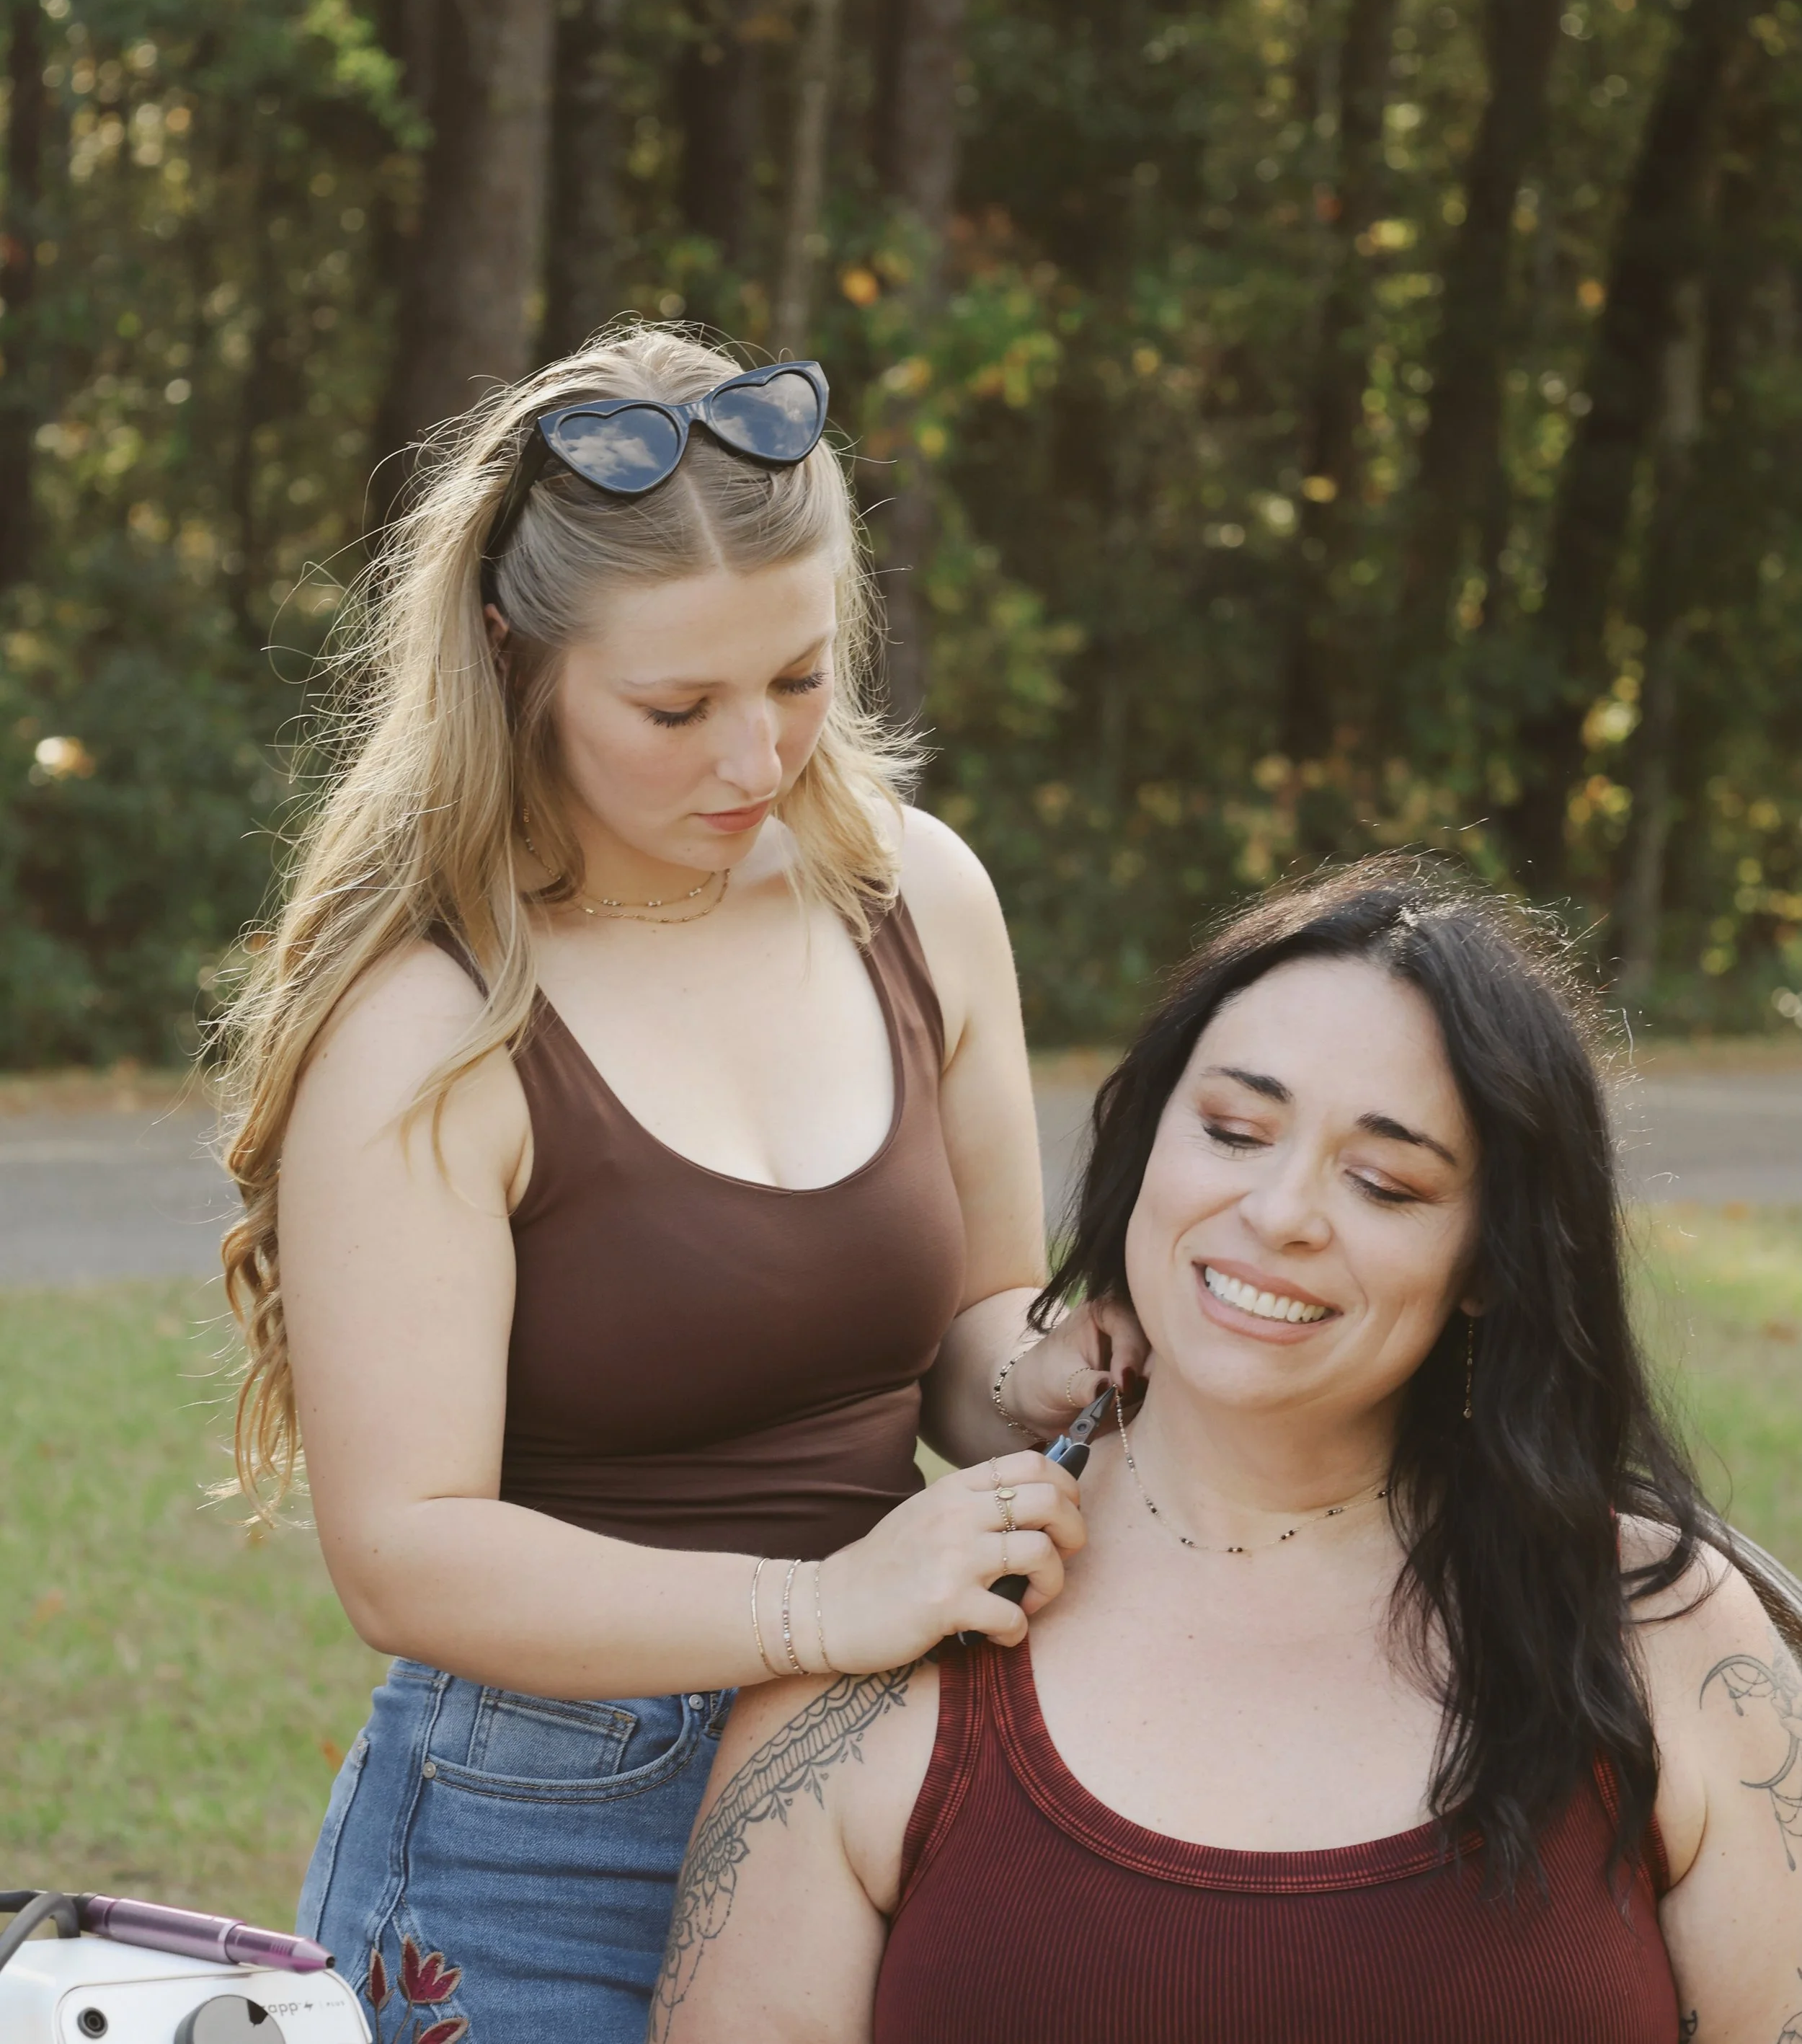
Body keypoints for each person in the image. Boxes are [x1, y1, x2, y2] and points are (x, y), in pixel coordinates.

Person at [216, 327, 1141, 2042]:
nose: (754, 759)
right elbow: (404, 1551)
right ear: (514, 662)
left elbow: (963, 1326)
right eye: (675, 707)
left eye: (796, 679)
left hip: (884, 1783)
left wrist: (1053, 1375)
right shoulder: (427, 1018)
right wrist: (816, 1601)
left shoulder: (915, 900)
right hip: (535, 1847)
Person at [651, 858, 1802, 2044]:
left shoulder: (1662, 1638)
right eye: (1234, 1130)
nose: (1282, 1211)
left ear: (1492, 1266)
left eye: (1385, 1183)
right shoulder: (889, 1640)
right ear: (1150, 1139)